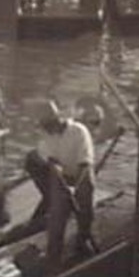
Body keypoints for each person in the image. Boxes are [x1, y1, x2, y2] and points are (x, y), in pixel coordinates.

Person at [25, 101, 97, 267]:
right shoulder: (46, 136)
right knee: (57, 217)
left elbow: (84, 163)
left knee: (84, 206)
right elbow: (53, 161)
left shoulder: (79, 131)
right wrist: (61, 182)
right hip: (61, 176)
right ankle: (53, 258)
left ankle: (83, 240)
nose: (44, 129)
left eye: (47, 125)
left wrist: (75, 189)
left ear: (56, 121)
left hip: (82, 173)